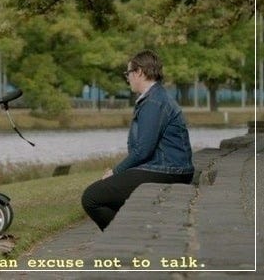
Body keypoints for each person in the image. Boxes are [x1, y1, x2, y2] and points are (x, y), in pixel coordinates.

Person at [81, 50, 194, 231]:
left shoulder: (154, 102)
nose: (127, 78)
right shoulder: (155, 97)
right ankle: (136, 231)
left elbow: (143, 150)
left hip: (169, 171)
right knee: (107, 195)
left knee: (91, 197)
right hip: (168, 168)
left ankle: (124, 238)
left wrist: (116, 172)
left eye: (128, 73)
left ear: (139, 72)